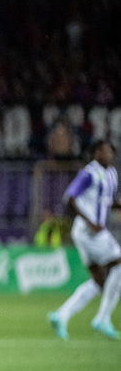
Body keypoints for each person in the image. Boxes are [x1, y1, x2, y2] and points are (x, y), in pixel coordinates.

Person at [47, 140, 121, 340]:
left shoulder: (111, 174)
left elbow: (105, 202)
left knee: (98, 282)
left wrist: (117, 206)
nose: (108, 154)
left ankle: (61, 315)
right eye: (104, 151)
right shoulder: (89, 173)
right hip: (90, 231)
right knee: (119, 264)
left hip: (89, 232)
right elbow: (69, 199)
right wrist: (90, 222)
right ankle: (103, 318)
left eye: (110, 151)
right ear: (96, 153)